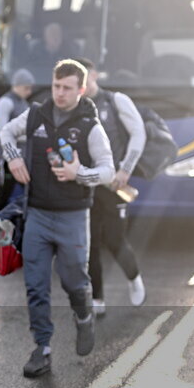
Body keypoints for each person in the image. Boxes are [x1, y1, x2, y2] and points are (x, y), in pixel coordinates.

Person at [0, 59, 115, 378]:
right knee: (35, 285)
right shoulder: (36, 113)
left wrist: (81, 174)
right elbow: (6, 133)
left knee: (74, 281)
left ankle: (83, 316)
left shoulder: (90, 125)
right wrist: (13, 159)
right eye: (56, 86)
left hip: (73, 217)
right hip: (37, 212)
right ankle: (42, 348)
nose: (60, 94)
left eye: (67, 88)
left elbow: (108, 170)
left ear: (81, 89)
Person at [76, 58, 146, 317]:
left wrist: (126, 168)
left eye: (85, 76)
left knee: (115, 240)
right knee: (90, 242)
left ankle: (134, 278)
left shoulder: (116, 101)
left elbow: (138, 133)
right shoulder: (75, 107)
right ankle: (97, 299)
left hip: (114, 184)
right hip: (86, 186)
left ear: (94, 75)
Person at [0, 70, 35, 211]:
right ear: (17, 85)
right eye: (27, 88)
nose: (29, 92)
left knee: (17, 191)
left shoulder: (22, 102)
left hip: (23, 156)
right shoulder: (5, 102)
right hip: (10, 156)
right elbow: (1, 131)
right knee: (5, 192)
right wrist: (27, 136)